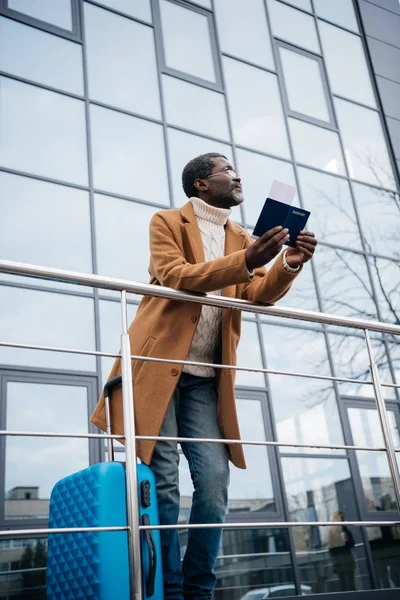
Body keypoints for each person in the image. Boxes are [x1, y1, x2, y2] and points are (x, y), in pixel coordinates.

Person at [91, 152, 317, 600]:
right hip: (156, 371)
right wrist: (247, 259)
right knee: (167, 484)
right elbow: (174, 275)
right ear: (201, 183)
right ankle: (172, 591)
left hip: (205, 377)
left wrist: (287, 262)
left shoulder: (241, 237)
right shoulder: (167, 222)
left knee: (213, 484)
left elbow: (255, 294)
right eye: (228, 170)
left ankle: (199, 588)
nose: (238, 177)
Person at [328, 511, 356, 591]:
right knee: (347, 584)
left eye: (343, 518)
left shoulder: (344, 529)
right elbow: (331, 548)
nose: (342, 520)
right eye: (341, 518)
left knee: (347, 584)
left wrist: (347, 540)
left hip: (344, 560)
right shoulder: (334, 531)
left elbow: (351, 544)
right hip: (343, 560)